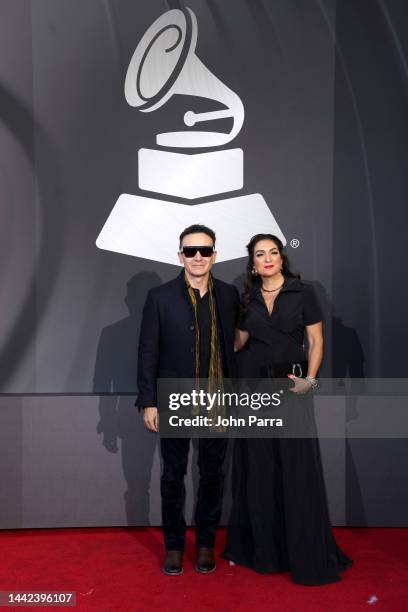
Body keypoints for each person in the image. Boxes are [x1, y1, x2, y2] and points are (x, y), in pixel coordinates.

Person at [222, 234, 353, 585]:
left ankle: (304, 552)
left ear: (282, 258)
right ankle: (264, 551)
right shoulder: (247, 299)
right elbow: (238, 343)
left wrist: (311, 380)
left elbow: (316, 341)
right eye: (260, 254)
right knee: (260, 470)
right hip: (254, 394)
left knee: (296, 471)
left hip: (292, 391)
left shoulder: (303, 292)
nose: (267, 258)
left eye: (273, 253)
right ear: (252, 263)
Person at [137, 224, 239, 576]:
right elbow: (148, 353)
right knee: (172, 477)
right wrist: (149, 402)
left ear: (215, 254)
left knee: (213, 474)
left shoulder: (229, 296)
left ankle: (207, 544)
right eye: (191, 251)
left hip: (217, 400)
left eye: (205, 250)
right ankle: (175, 546)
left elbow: (237, 348)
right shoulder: (159, 297)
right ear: (180, 255)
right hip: (174, 401)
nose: (198, 257)